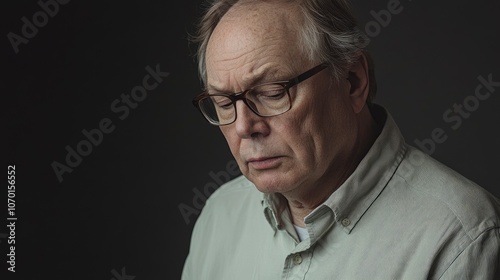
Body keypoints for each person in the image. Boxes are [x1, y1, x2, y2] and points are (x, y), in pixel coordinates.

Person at [182, 0, 500, 279]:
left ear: (352, 81)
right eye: (224, 103)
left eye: (271, 93)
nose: (243, 127)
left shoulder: (464, 237)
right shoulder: (220, 214)